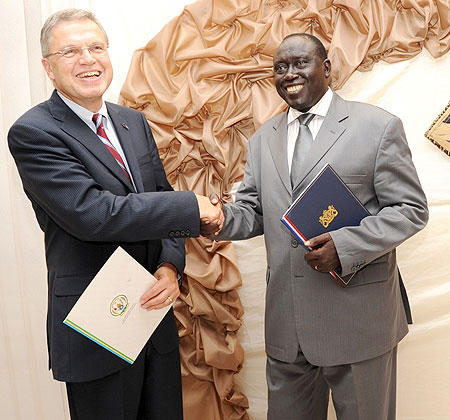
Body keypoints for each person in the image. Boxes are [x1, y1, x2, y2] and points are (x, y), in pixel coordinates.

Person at [8, 9, 222, 420]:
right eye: (69, 51)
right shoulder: (34, 132)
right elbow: (95, 215)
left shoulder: (131, 122)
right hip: (97, 328)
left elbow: (159, 201)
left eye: (95, 47)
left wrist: (168, 266)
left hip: (152, 317)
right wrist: (191, 205)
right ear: (47, 68)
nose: (87, 59)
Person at [202, 33, 429, 420]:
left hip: (359, 324)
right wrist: (220, 220)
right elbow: (255, 212)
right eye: (280, 67)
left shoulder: (377, 127)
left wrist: (345, 245)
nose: (289, 74)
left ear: (326, 68)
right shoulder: (261, 141)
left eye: (299, 63)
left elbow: (410, 209)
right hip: (287, 330)